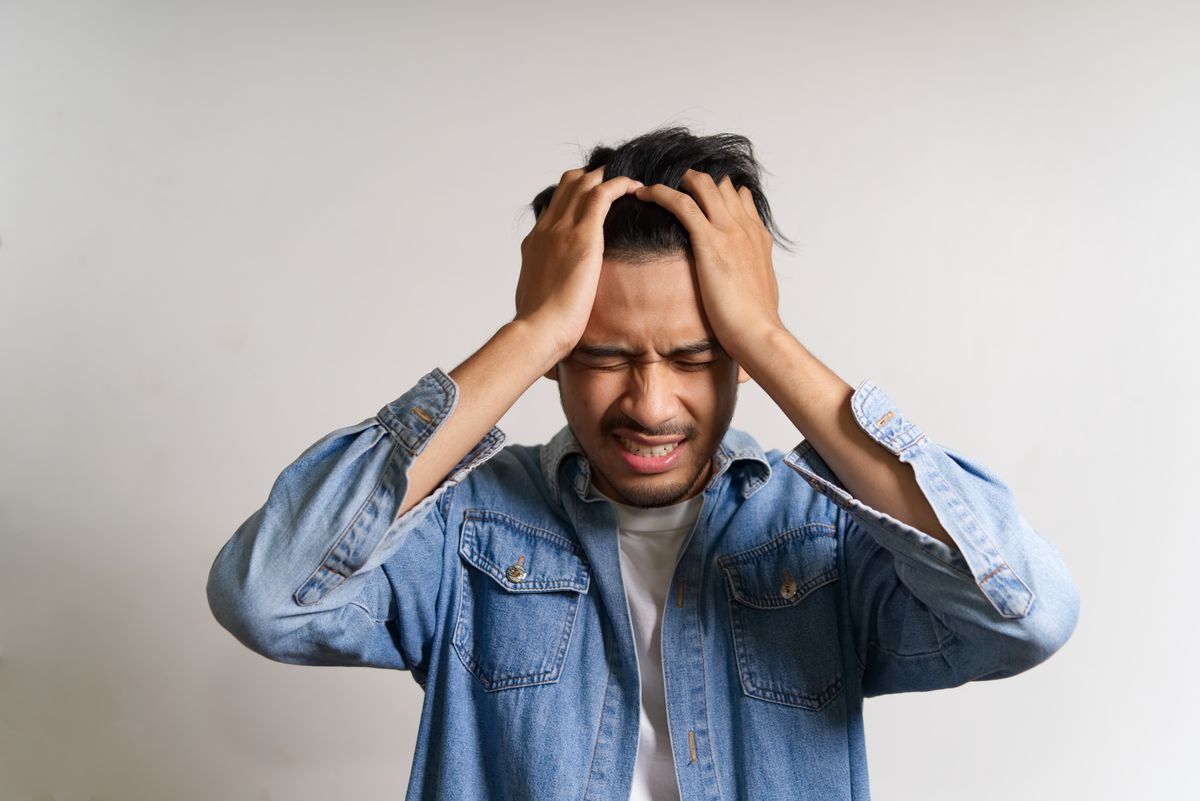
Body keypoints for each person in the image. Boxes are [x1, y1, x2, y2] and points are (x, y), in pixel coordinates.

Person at [207, 126, 1080, 801]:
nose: (651, 405)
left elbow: (1025, 614)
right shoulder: (465, 525)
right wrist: (533, 328)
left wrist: (770, 338)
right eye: (602, 354)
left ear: (743, 357)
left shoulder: (823, 536)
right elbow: (268, 593)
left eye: (698, 356)